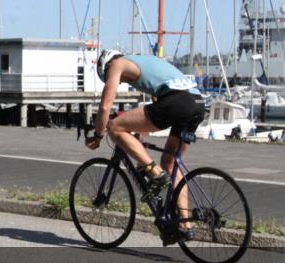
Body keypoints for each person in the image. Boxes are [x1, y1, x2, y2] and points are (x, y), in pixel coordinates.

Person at [85, 49, 206, 244]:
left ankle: (156, 173)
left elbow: (105, 107)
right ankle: (185, 225)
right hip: (198, 104)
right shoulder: (145, 63)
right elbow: (153, 112)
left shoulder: (118, 64)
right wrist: (137, 140)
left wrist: (99, 135)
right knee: (170, 162)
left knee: (115, 128)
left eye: (107, 77)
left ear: (107, 65)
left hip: (178, 102)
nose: (118, 81)